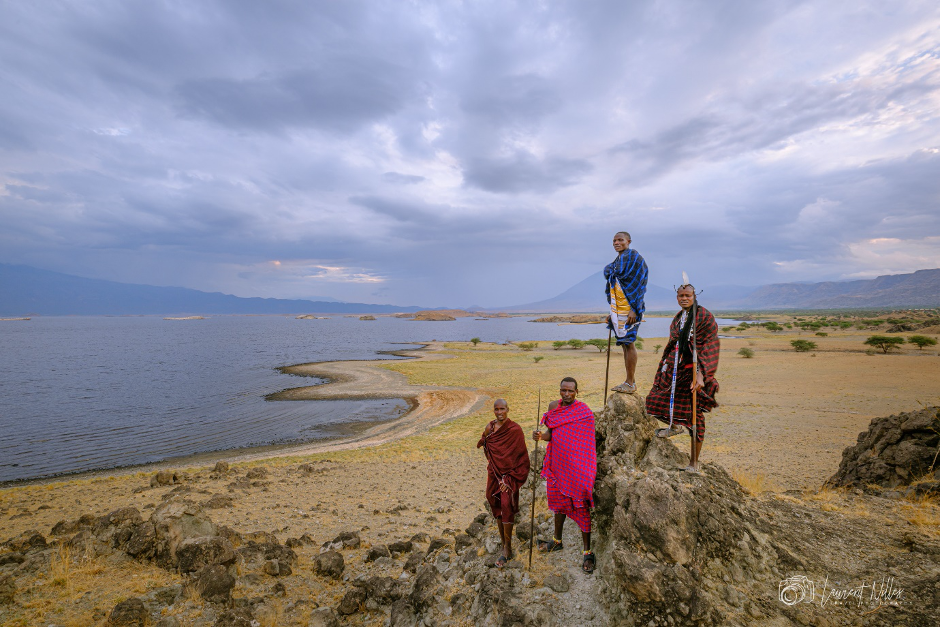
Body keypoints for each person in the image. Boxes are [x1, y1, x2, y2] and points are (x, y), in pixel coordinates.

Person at [645, 279, 720, 473]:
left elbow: (709, 345)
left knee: (695, 417)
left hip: (694, 373)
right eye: (681, 295)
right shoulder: (680, 317)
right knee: (655, 400)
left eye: (688, 295)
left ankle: (694, 463)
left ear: (695, 296)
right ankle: (675, 425)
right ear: (677, 297)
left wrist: (701, 375)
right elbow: (675, 343)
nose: (684, 298)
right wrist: (667, 365)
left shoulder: (704, 316)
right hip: (677, 370)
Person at [532, 377, 598, 573]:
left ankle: (587, 551)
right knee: (559, 503)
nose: (566, 394)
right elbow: (551, 433)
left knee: (581, 504)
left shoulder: (584, 412)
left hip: (578, 467)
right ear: (559, 390)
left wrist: (585, 469)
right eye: (563, 390)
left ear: (577, 391)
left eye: (570, 391)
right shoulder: (554, 407)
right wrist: (540, 436)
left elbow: (587, 443)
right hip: (558, 465)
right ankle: (556, 541)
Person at [477, 398, 530, 567]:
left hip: (510, 476)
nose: (500, 412)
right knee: (494, 501)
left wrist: (507, 479)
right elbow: (487, 447)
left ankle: (507, 547)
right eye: (496, 409)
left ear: (508, 409)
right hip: (494, 474)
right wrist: (495, 468)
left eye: (502, 409)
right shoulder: (490, 428)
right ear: (494, 411)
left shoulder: (515, 430)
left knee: (507, 505)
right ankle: (503, 541)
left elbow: (522, 458)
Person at [605, 231, 648, 394]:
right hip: (619, 308)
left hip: (630, 309)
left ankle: (630, 384)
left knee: (629, 343)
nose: (616, 242)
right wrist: (613, 312)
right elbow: (616, 287)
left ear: (628, 241)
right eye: (614, 240)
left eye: (620, 240)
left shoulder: (634, 258)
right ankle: (630, 381)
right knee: (624, 344)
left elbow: (640, 285)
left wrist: (633, 309)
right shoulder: (618, 261)